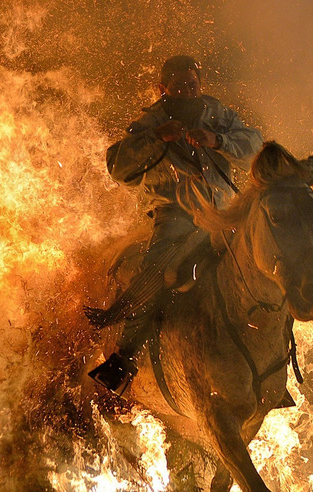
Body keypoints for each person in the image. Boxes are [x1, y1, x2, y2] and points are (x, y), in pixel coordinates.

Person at [87, 55, 263, 394]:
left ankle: (274, 359)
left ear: (201, 84)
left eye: (192, 85)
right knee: (155, 272)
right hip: (176, 218)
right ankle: (123, 360)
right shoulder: (149, 122)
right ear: (162, 89)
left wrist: (218, 141)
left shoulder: (218, 115)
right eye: (178, 87)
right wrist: (156, 137)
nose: (186, 92)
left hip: (226, 214)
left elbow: (255, 146)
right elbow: (119, 168)